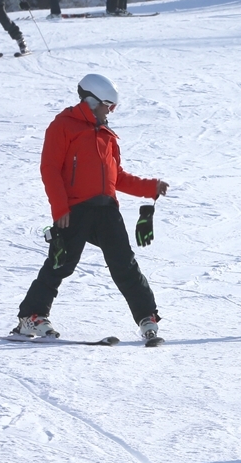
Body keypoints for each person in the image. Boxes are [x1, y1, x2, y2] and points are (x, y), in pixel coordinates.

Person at [13, 73, 168, 344]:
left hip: (106, 209)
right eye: (108, 106)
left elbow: (117, 176)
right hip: (75, 210)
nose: (111, 111)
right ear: (92, 101)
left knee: (124, 264)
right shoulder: (63, 126)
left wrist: (149, 187)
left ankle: (147, 317)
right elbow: (50, 169)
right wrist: (60, 209)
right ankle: (31, 317)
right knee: (61, 264)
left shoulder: (107, 135)